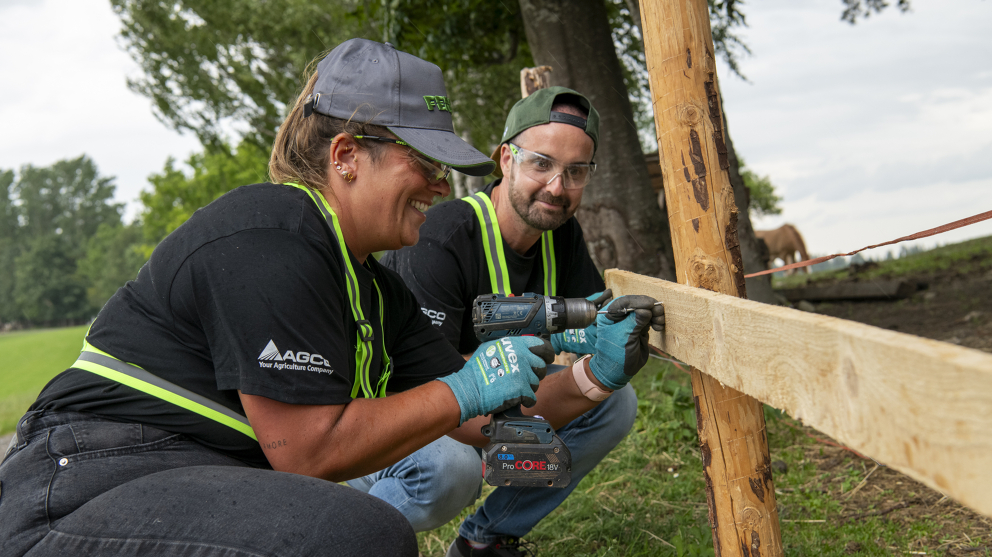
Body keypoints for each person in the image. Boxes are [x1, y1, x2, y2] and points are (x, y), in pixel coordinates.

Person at [0, 39, 659, 557]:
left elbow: (479, 420)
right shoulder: (274, 230)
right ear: (347, 154)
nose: (438, 186)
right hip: (86, 482)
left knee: (353, 529)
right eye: (424, 163)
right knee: (356, 535)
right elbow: (307, 452)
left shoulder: (374, 288)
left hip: (185, 474)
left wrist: (594, 378)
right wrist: (465, 387)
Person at [378, 86, 665, 556]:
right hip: (400, 415)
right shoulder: (442, 239)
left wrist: (604, 333)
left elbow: (586, 317)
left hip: (489, 401)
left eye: (576, 171)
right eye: (541, 163)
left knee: (615, 404)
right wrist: (578, 374)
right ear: (506, 159)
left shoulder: (560, 232)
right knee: (453, 469)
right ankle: (335, 534)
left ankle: (483, 541)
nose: (557, 186)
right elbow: (434, 390)